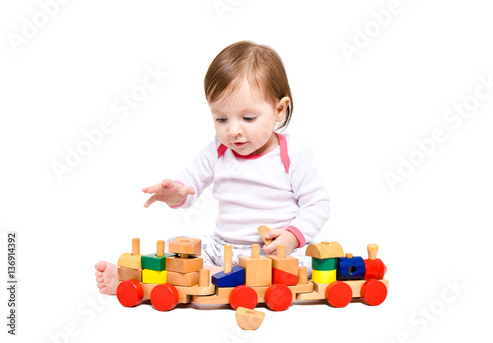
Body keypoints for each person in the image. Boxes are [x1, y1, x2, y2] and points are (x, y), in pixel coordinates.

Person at [95, 41, 329, 295]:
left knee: (311, 265)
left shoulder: (292, 154)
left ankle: (228, 280)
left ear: (279, 110)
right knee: (179, 253)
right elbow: (189, 184)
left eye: (248, 118)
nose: (233, 130)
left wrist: (293, 236)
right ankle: (129, 281)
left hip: (277, 250)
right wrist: (175, 192)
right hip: (223, 248)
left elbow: (317, 204)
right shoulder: (218, 151)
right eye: (221, 119)